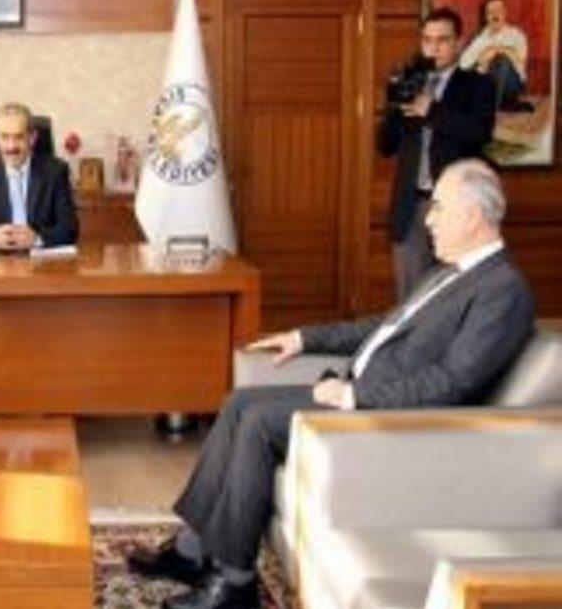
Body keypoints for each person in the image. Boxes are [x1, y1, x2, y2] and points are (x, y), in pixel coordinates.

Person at [127, 159, 535, 609]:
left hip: (387, 419)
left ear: (472, 216)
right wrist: (304, 338)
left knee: (258, 423)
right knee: (239, 402)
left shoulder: (502, 290)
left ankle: (235, 582)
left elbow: (453, 382)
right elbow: (383, 327)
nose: (428, 219)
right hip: (353, 395)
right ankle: (193, 549)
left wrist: (355, 396)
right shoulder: (449, 273)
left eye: (438, 206)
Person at [378, 7, 496, 300]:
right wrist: (393, 107)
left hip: (457, 205)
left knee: (455, 296)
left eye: (443, 40)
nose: (434, 48)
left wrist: (431, 109)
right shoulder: (411, 84)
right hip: (412, 205)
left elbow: (478, 132)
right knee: (411, 299)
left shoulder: (479, 85)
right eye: (427, 40)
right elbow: (385, 147)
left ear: (459, 42)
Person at [0, 102, 78, 250]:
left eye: (19, 137)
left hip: (41, 260)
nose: (11, 146)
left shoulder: (55, 172)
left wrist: (37, 239)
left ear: (32, 137)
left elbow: (69, 228)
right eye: (4, 137)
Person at [460, 0, 534, 113]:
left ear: (505, 12)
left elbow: (519, 61)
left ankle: (490, 108)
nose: (495, 15)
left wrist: (495, 50)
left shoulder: (516, 35)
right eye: (490, 12)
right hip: (487, 85)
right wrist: (481, 59)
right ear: (485, 17)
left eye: (498, 10)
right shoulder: (481, 38)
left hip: (511, 86)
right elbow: (463, 64)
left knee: (502, 61)